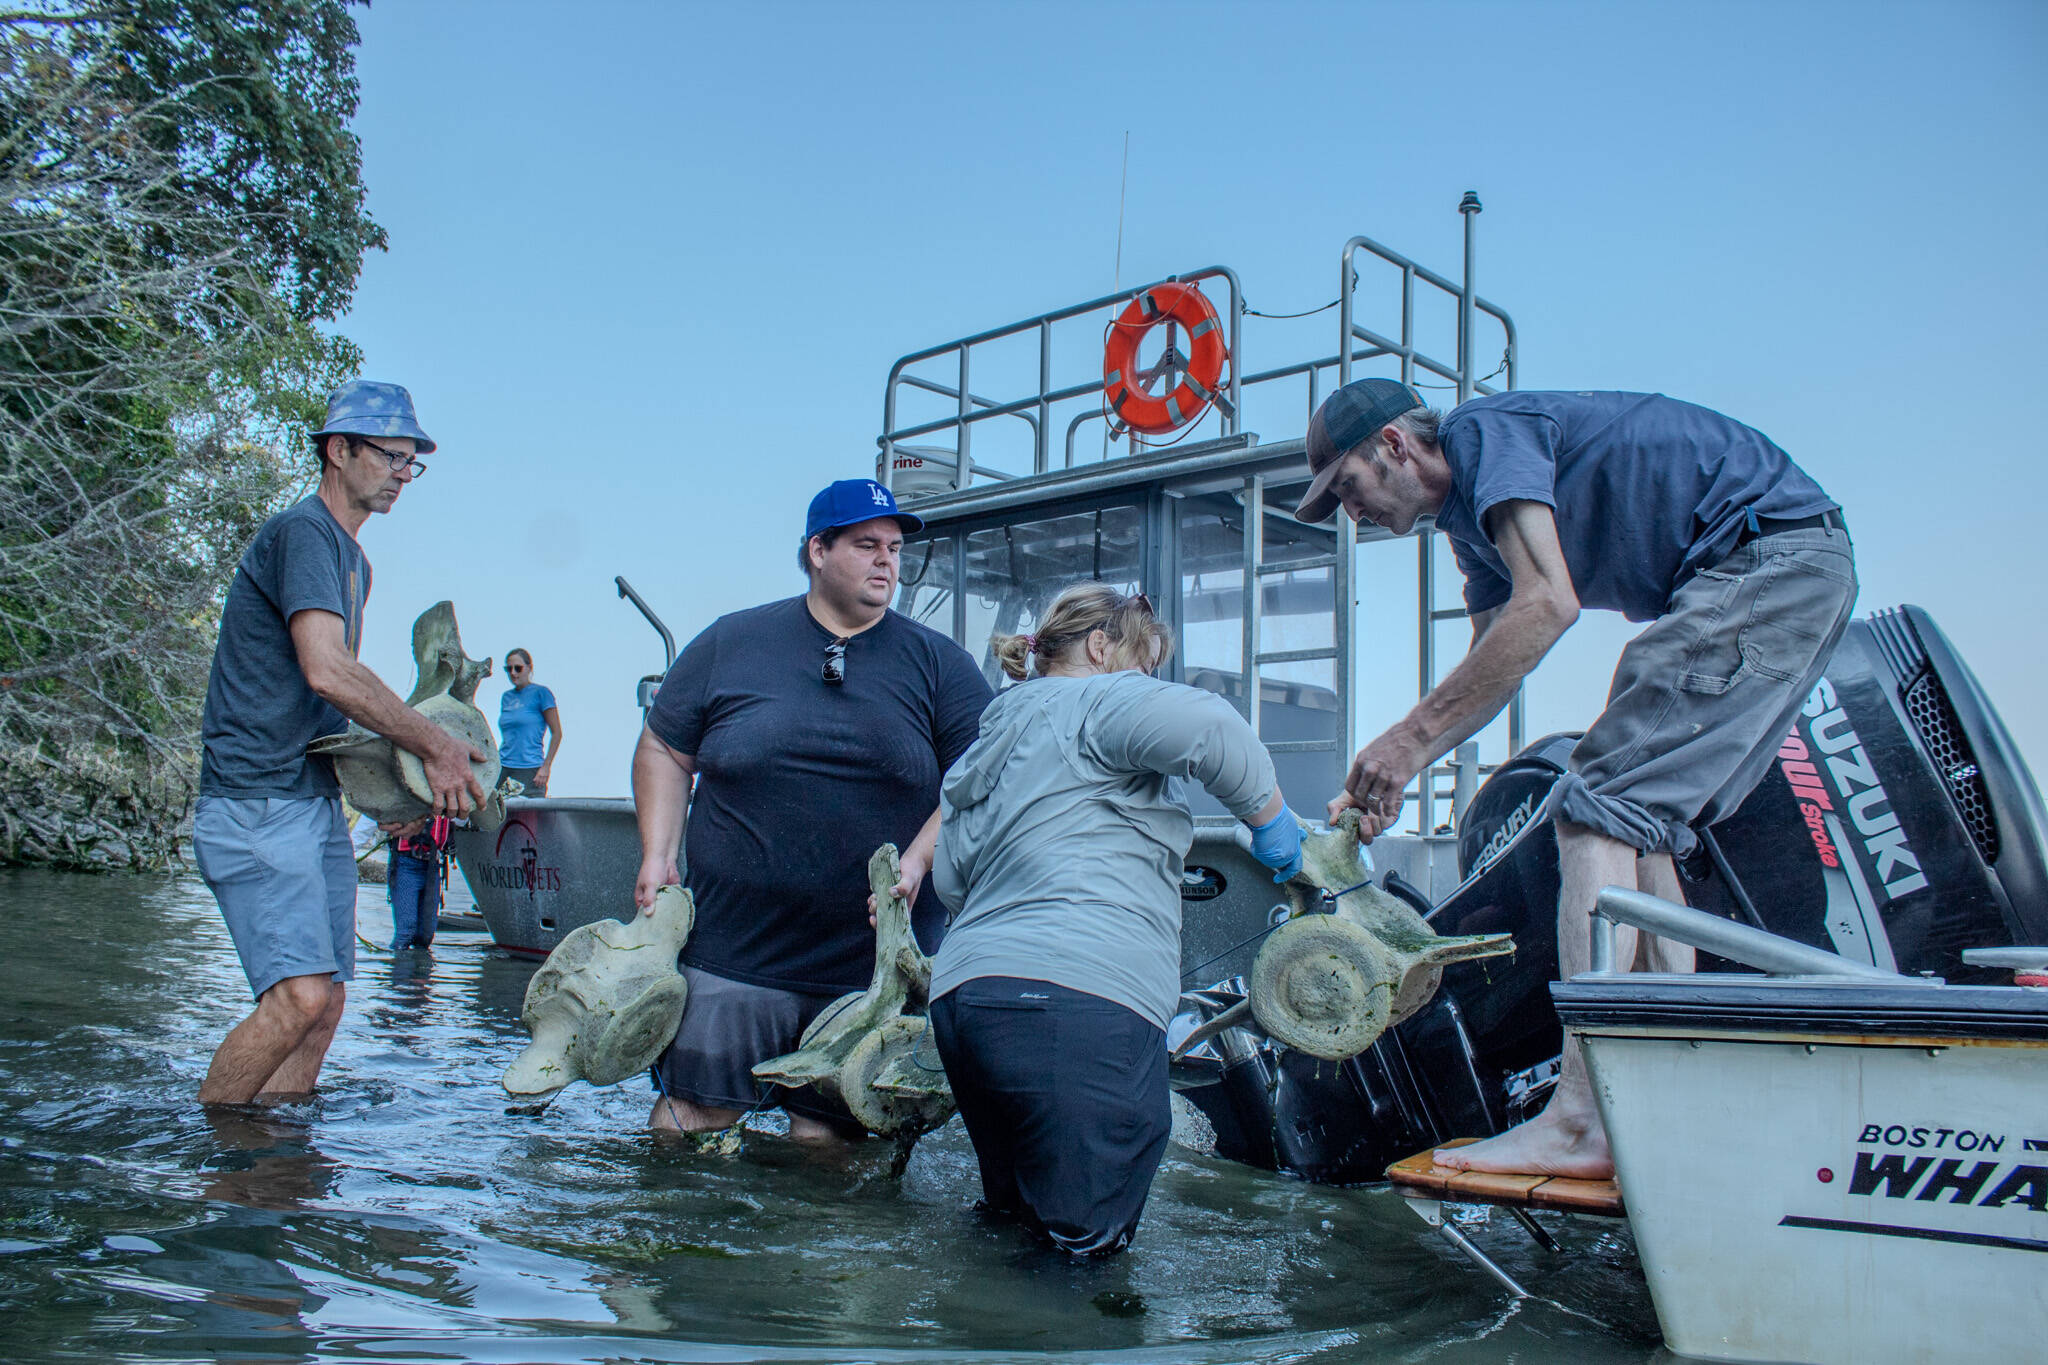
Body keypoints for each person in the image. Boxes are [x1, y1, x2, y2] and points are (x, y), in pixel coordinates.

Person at [1295, 379, 1857, 1178]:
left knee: (1594, 810)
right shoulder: (1469, 524)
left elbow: (1548, 604)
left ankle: (1579, 1119)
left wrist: (1408, 738)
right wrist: (1397, 770)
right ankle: (1660, 1093)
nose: (1351, 515)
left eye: (1346, 489)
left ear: (1393, 444)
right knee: (1642, 821)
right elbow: (1499, 659)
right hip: (1786, 567)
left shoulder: (1485, 434)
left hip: (1763, 557)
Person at [929, 583, 1304, 1255]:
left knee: (1010, 1232)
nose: (1149, 683)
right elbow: (1213, 729)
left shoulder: (991, 737)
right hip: (1076, 1003)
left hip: (967, 1002)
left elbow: (950, 880)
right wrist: (1271, 820)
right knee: (1082, 1256)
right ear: (1101, 647)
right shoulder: (1097, 696)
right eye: (1146, 664)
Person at [632, 478, 993, 1138]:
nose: (887, 560)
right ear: (817, 551)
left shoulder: (942, 665)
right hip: (733, 952)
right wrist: (657, 853)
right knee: (687, 1121)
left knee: (828, 1144)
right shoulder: (730, 642)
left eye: (895, 547)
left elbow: (983, 778)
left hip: (870, 969)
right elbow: (663, 744)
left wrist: (917, 862)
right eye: (866, 544)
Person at [194, 380, 486, 1106]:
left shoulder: (354, 563)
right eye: (390, 455)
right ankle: (209, 1156)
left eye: (411, 462)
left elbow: (324, 710)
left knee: (325, 1004)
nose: (401, 474)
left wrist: (394, 791)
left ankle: (278, 1167)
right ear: (338, 449)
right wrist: (435, 744)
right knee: (295, 997)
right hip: (255, 798)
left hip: (312, 801)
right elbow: (327, 669)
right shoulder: (302, 534)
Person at [496, 648, 560, 795]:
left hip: (530, 768)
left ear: (529, 668)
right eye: (509, 669)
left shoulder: (541, 693)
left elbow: (557, 733)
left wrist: (546, 767)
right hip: (504, 767)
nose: (513, 673)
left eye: (518, 668)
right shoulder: (506, 697)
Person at [388, 815, 451, 949]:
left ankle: (420, 967)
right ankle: (399, 966)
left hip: (432, 867)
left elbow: (463, 820)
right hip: (406, 864)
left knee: (426, 935)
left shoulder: (452, 800)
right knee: (406, 932)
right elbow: (370, 821)